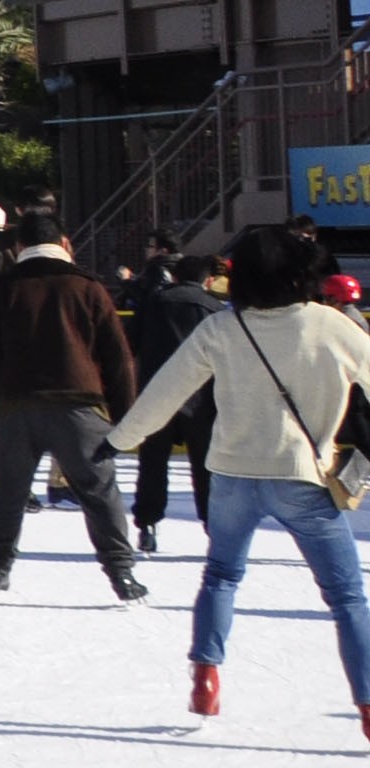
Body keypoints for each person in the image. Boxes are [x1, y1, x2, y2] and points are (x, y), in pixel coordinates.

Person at [105, 225, 370, 730]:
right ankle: (369, 703)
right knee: (347, 597)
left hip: (231, 475)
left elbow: (165, 391)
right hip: (302, 477)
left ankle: (206, 674)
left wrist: (119, 440)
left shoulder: (223, 328)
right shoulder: (332, 326)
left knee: (222, 576)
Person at [0, 204, 145, 601]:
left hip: (14, 408)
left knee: (7, 492)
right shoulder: (89, 288)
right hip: (79, 407)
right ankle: (121, 573)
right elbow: (118, 359)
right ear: (64, 242)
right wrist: (124, 418)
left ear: (20, 247)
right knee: (98, 491)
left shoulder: (2, 290)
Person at [127, 252, 224, 552]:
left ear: (176, 276)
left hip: (156, 395)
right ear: (208, 280)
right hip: (201, 398)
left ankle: (148, 523)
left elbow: (130, 343)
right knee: (205, 466)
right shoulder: (214, 308)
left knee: (153, 463)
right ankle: (214, 527)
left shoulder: (153, 302)